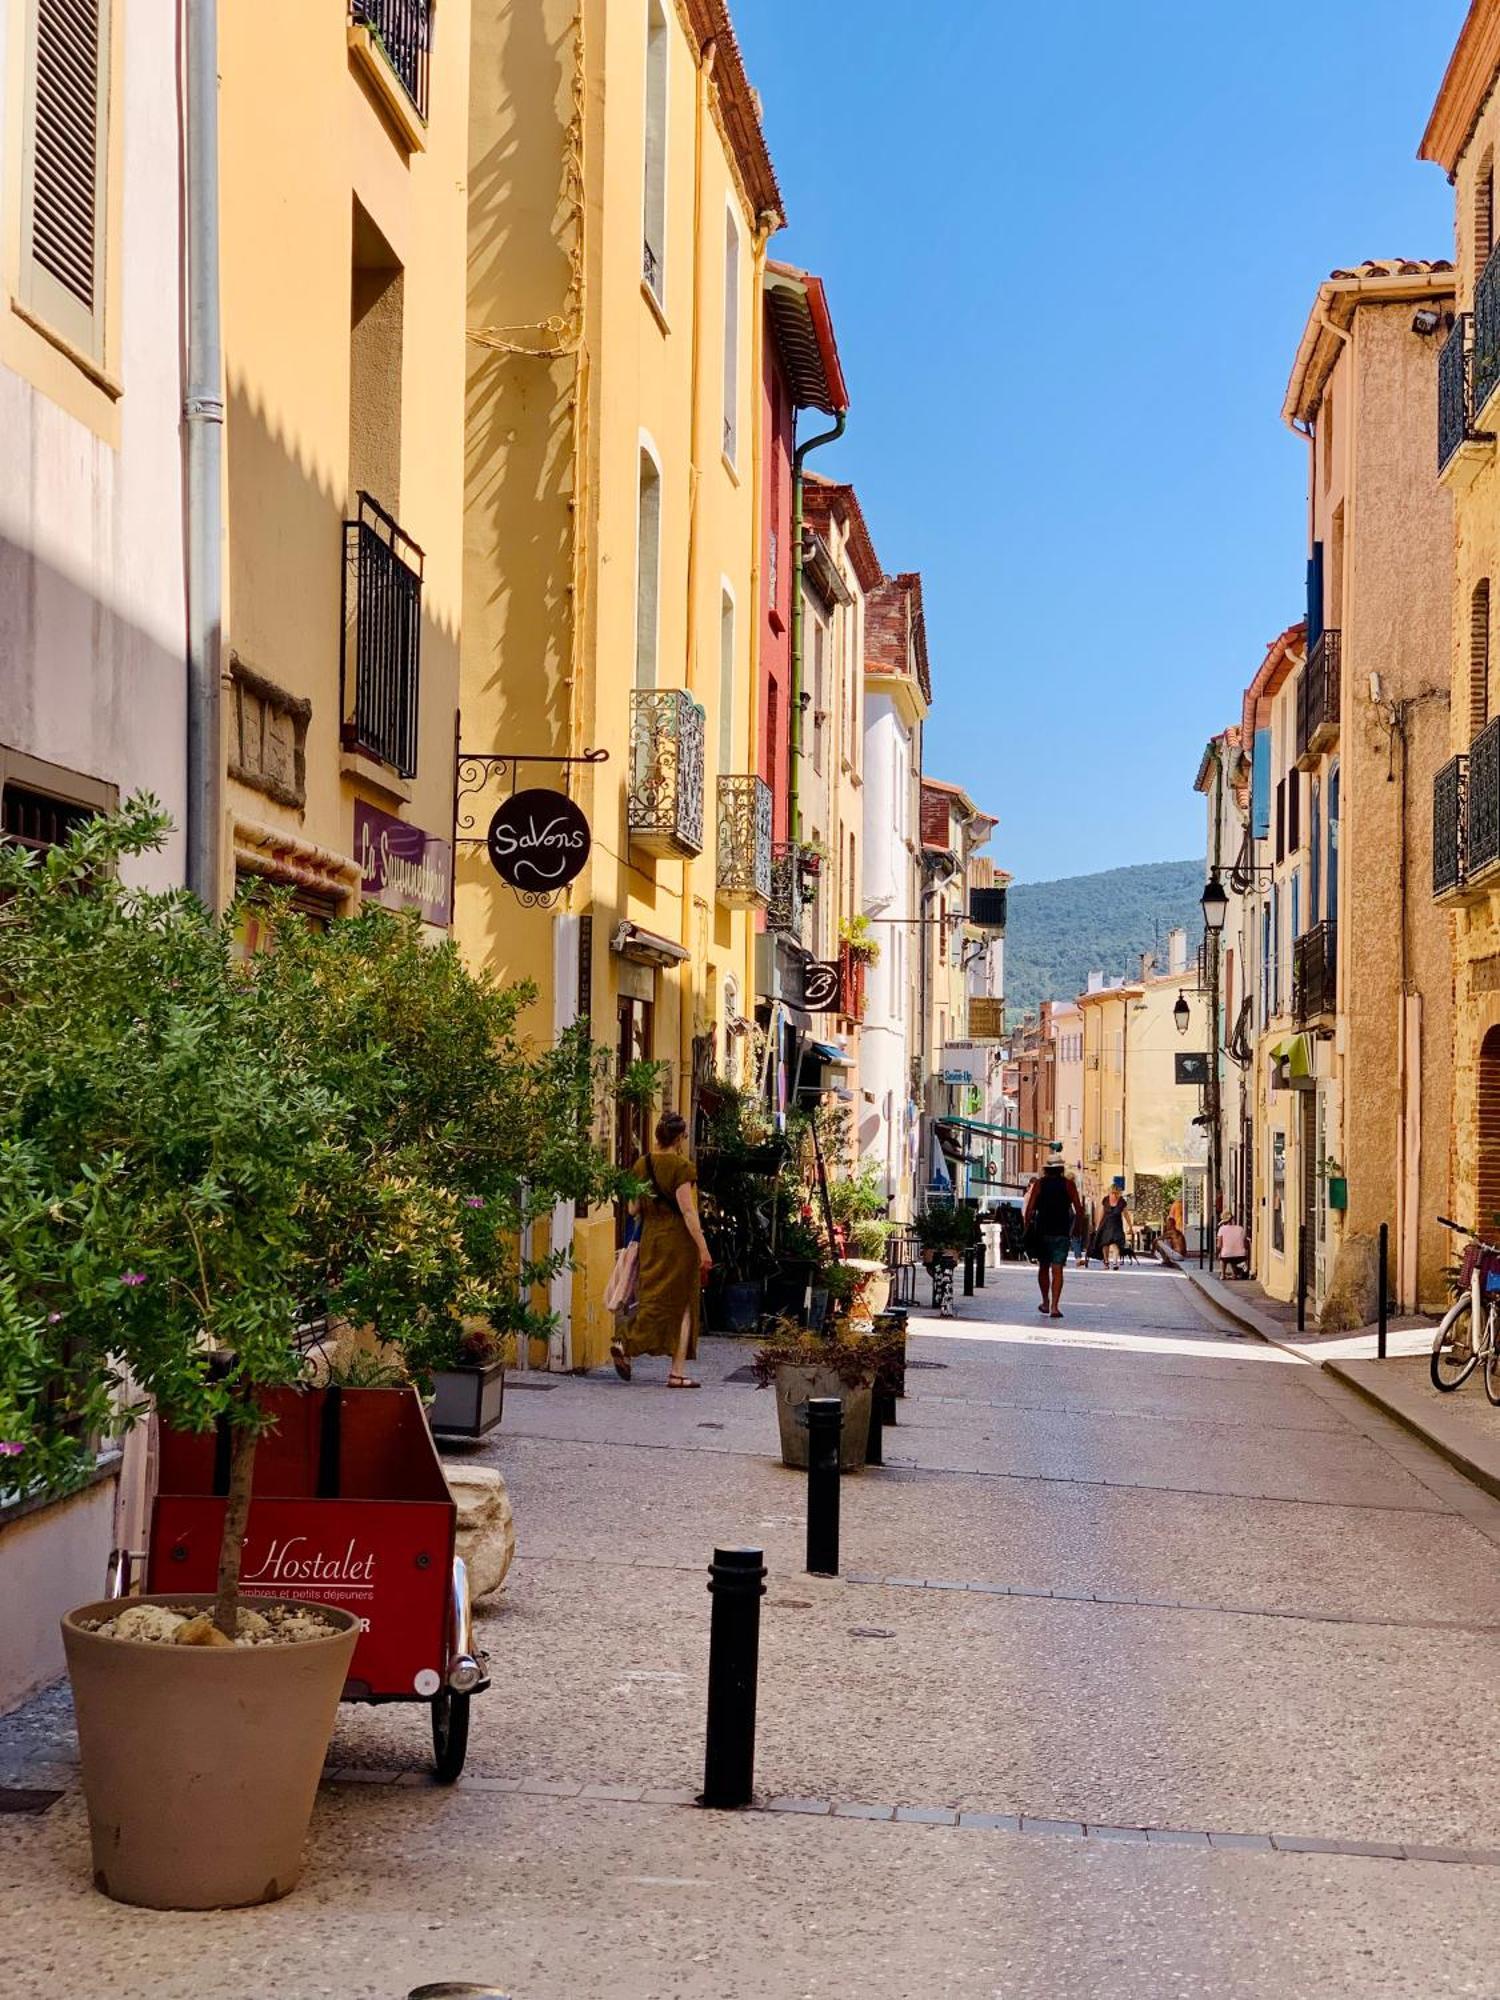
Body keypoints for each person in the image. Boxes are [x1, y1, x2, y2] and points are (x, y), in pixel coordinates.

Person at [611, 1110, 713, 1388]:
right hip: (677, 1242)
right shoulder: (682, 1168)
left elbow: (632, 1208)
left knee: (652, 1298)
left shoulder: (641, 1165)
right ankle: (674, 1371)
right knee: (683, 1305)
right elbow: (689, 1213)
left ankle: (627, 1342)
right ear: (679, 1138)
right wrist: (703, 1249)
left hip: (651, 1239)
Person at [1024, 1155, 1086, 1318]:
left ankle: (1045, 1301)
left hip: (1042, 1232)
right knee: (1057, 1269)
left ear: (1046, 1169)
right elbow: (1079, 1210)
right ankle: (1054, 1307)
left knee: (1043, 1267)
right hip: (1061, 1232)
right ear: (1061, 1169)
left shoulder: (1039, 1184)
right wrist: (1077, 1229)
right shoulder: (1068, 1185)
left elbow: (1029, 1209)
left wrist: (1026, 1228)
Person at [1097, 1183, 1130, 1270]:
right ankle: (1106, 1262)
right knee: (1105, 1244)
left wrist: (1130, 1226)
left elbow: (1126, 1214)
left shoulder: (1122, 1202)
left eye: (1116, 1193)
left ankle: (1115, 1262)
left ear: (1119, 1193)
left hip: (1117, 1225)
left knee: (1116, 1243)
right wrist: (1098, 1225)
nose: (1114, 1195)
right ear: (1109, 1192)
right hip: (1106, 1224)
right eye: (1112, 1193)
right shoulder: (1105, 1200)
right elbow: (1102, 1213)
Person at [1216, 1214, 1250, 1280]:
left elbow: (1219, 1245)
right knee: (1233, 1258)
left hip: (1226, 1255)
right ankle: (1234, 1274)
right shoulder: (1240, 1228)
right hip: (1241, 1256)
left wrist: (1218, 1253)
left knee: (1224, 1257)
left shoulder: (1222, 1229)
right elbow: (1246, 1244)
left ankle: (1223, 1274)